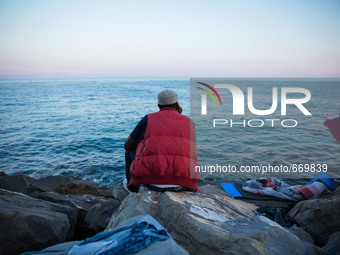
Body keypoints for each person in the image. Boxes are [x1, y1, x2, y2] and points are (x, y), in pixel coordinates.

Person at [124, 89, 199, 192]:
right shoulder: (189, 122)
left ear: (159, 106)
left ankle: (132, 187)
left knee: (130, 151)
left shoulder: (149, 119)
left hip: (151, 183)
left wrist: (143, 142)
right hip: (184, 184)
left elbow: (127, 145)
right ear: (177, 104)